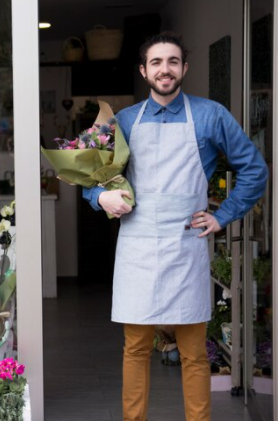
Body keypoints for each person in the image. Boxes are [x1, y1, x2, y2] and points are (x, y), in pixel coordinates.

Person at [83, 32, 268, 421]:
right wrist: (101, 198)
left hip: (186, 246)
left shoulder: (210, 114)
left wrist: (223, 214)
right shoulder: (124, 121)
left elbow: (254, 170)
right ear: (143, 70)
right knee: (134, 348)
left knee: (194, 351)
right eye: (156, 62)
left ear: (184, 68)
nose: (164, 69)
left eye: (172, 61)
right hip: (137, 245)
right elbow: (88, 177)